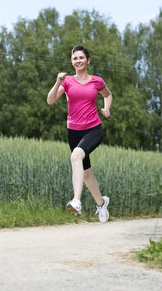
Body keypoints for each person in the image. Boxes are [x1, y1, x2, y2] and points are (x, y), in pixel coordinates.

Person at [47, 45, 113, 223]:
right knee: (86, 173)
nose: (78, 61)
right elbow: (50, 100)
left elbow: (108, 95)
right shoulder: (67, 81)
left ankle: (76, 201)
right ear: (71, 62)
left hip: (93, 129)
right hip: (74, 131)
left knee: (76, 155)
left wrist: (106, 109)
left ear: (88, 60)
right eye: (75, 58)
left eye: (81, 58)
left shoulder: (96, 81)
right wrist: (57, 83)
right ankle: (101, 203)